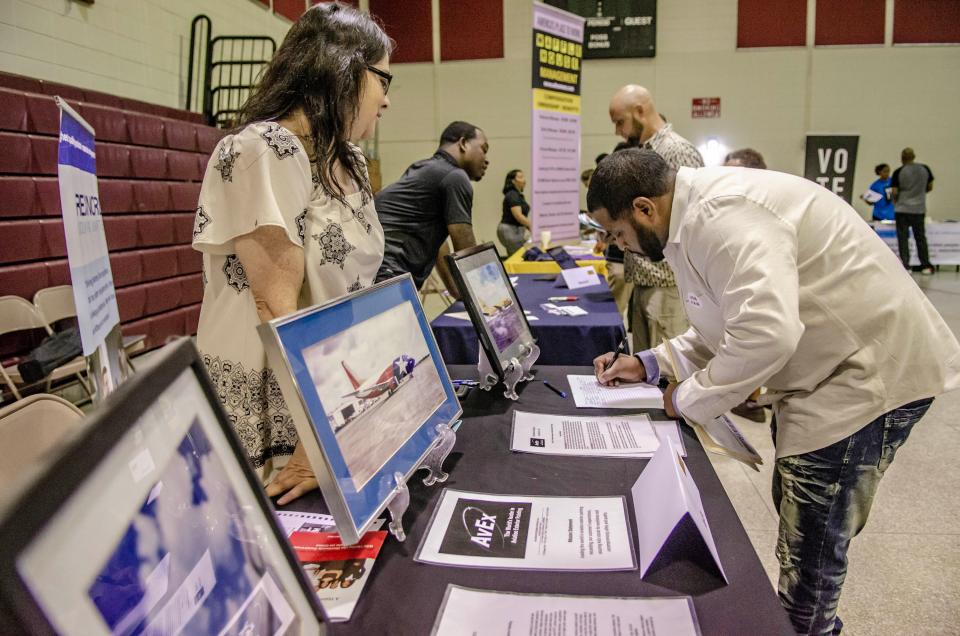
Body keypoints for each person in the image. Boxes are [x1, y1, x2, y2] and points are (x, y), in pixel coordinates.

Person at [587, 149, 960, 636]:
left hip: (866, 375)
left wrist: (684, 399)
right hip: (825, 372)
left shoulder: (723, 216)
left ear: (643, 208)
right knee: (799, 517)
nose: (623, 247)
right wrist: (651, 363)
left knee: (813, 545)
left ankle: (807, 628)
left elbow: (766, 333)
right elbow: (724, 322)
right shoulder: (687, 221)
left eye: (618, 234)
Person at [192, 2, 392, 504]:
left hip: (334, 389)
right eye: (383, 81)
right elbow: (277, 312)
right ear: (344, 67)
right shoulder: (265, 149)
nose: (387, 100)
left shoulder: (346, 157)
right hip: (281, 400)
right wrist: (315, 436)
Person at [608, 84, 702, 352]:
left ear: (640, 111)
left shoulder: (676, 151)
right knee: (644, 367)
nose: (617, 131)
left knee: (669, 372)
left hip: (667, 284)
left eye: (620, 122)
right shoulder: (645, 151)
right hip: (644, 279)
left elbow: (691, 219)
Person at [375, 121, 489, 297]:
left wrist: (456, 290)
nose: (486, 159)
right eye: (484, 148)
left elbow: (437, 242)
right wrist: (486, 296)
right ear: (464, 143)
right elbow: (465, 246)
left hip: (376, 269)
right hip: (389, 274)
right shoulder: (455, 176)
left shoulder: (424, 168)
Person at [892, 148, 935, 274]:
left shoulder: (899, 171)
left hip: (902, 209)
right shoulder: (925, 169)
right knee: (920, 237)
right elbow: (930, 186)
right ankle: (925, 265)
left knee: (903, 238)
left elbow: (894, 191)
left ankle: (906, 265)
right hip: (919, 209)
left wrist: (898, 201)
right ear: (914, 156)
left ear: (902, 158)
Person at [497, 169, 530, 255]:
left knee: (516, 255)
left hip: (515, 230)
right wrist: (531, 225)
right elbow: (518, 215)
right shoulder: (512, 195)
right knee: (519, 256)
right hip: (510, 230)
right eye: (520, 177)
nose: (524, 180)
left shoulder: (518, 195)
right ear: (513, 181)